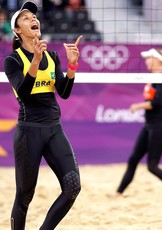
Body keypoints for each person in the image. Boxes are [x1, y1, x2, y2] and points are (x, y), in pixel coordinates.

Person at [4, 2, 82, 229]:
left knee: (73, 187)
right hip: (29, 131)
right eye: (25, 18)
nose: (32, 19)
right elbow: (25, 93)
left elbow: (64, 93)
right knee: (24, 196)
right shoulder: (13, 61)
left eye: (33, 17)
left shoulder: (52, 56)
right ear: (18, 30)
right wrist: (35, 61)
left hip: (54, 128)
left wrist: (72, 66)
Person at [111, 48, 162, 198]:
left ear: (157, 60)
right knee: (133, 159)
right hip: (149, 125)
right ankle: (118, 193)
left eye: (149, 58)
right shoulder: (152, 77)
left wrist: (138, 106)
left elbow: (157, 102)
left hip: (159, 127)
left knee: (152, 166)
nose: (146, 61)